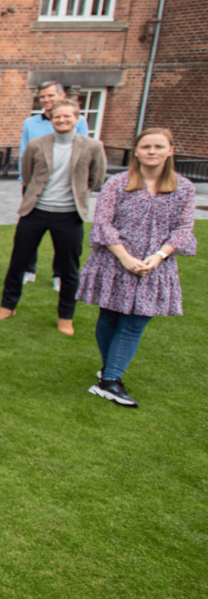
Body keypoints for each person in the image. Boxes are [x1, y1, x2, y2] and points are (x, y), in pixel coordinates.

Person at [76, 128, 197, 408]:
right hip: (114, 261)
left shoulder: (184, 188)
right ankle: (110, 374)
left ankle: (109, 380)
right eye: (146, 146)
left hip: (155, 266)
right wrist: (125, 258)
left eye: (159, 146)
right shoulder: (118, 183)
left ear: (170, 151)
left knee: (135, 322)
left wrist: (159, 256)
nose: (152, 151)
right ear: (137, 152)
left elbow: (183, 228)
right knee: (110, 316)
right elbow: (103, 223)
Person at [0, 100, 106, 336]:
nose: (61, 120)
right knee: (18, 262)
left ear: (77, 118)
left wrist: (78, 194)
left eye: (66, 116)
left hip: (69, 215)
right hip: (35, 212)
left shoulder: (93, 146)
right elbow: (27, 174)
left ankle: (65, 317)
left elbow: (97, 179)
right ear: (51, 119)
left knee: (69, 269)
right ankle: (7, 306)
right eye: (57, 116)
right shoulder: (36, 145)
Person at [17, 81, 91, 288]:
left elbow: (84, 153)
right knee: (29, 233)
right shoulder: (31, 122)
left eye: (50, 95)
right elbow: (24, 153)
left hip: (66, 187)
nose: (46, 100)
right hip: (35, 186)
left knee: (65, 236)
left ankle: (60, 274)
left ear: (62, 95)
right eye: (42, 97)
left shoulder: (78, 121)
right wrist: (25, 181)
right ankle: (28, 270)